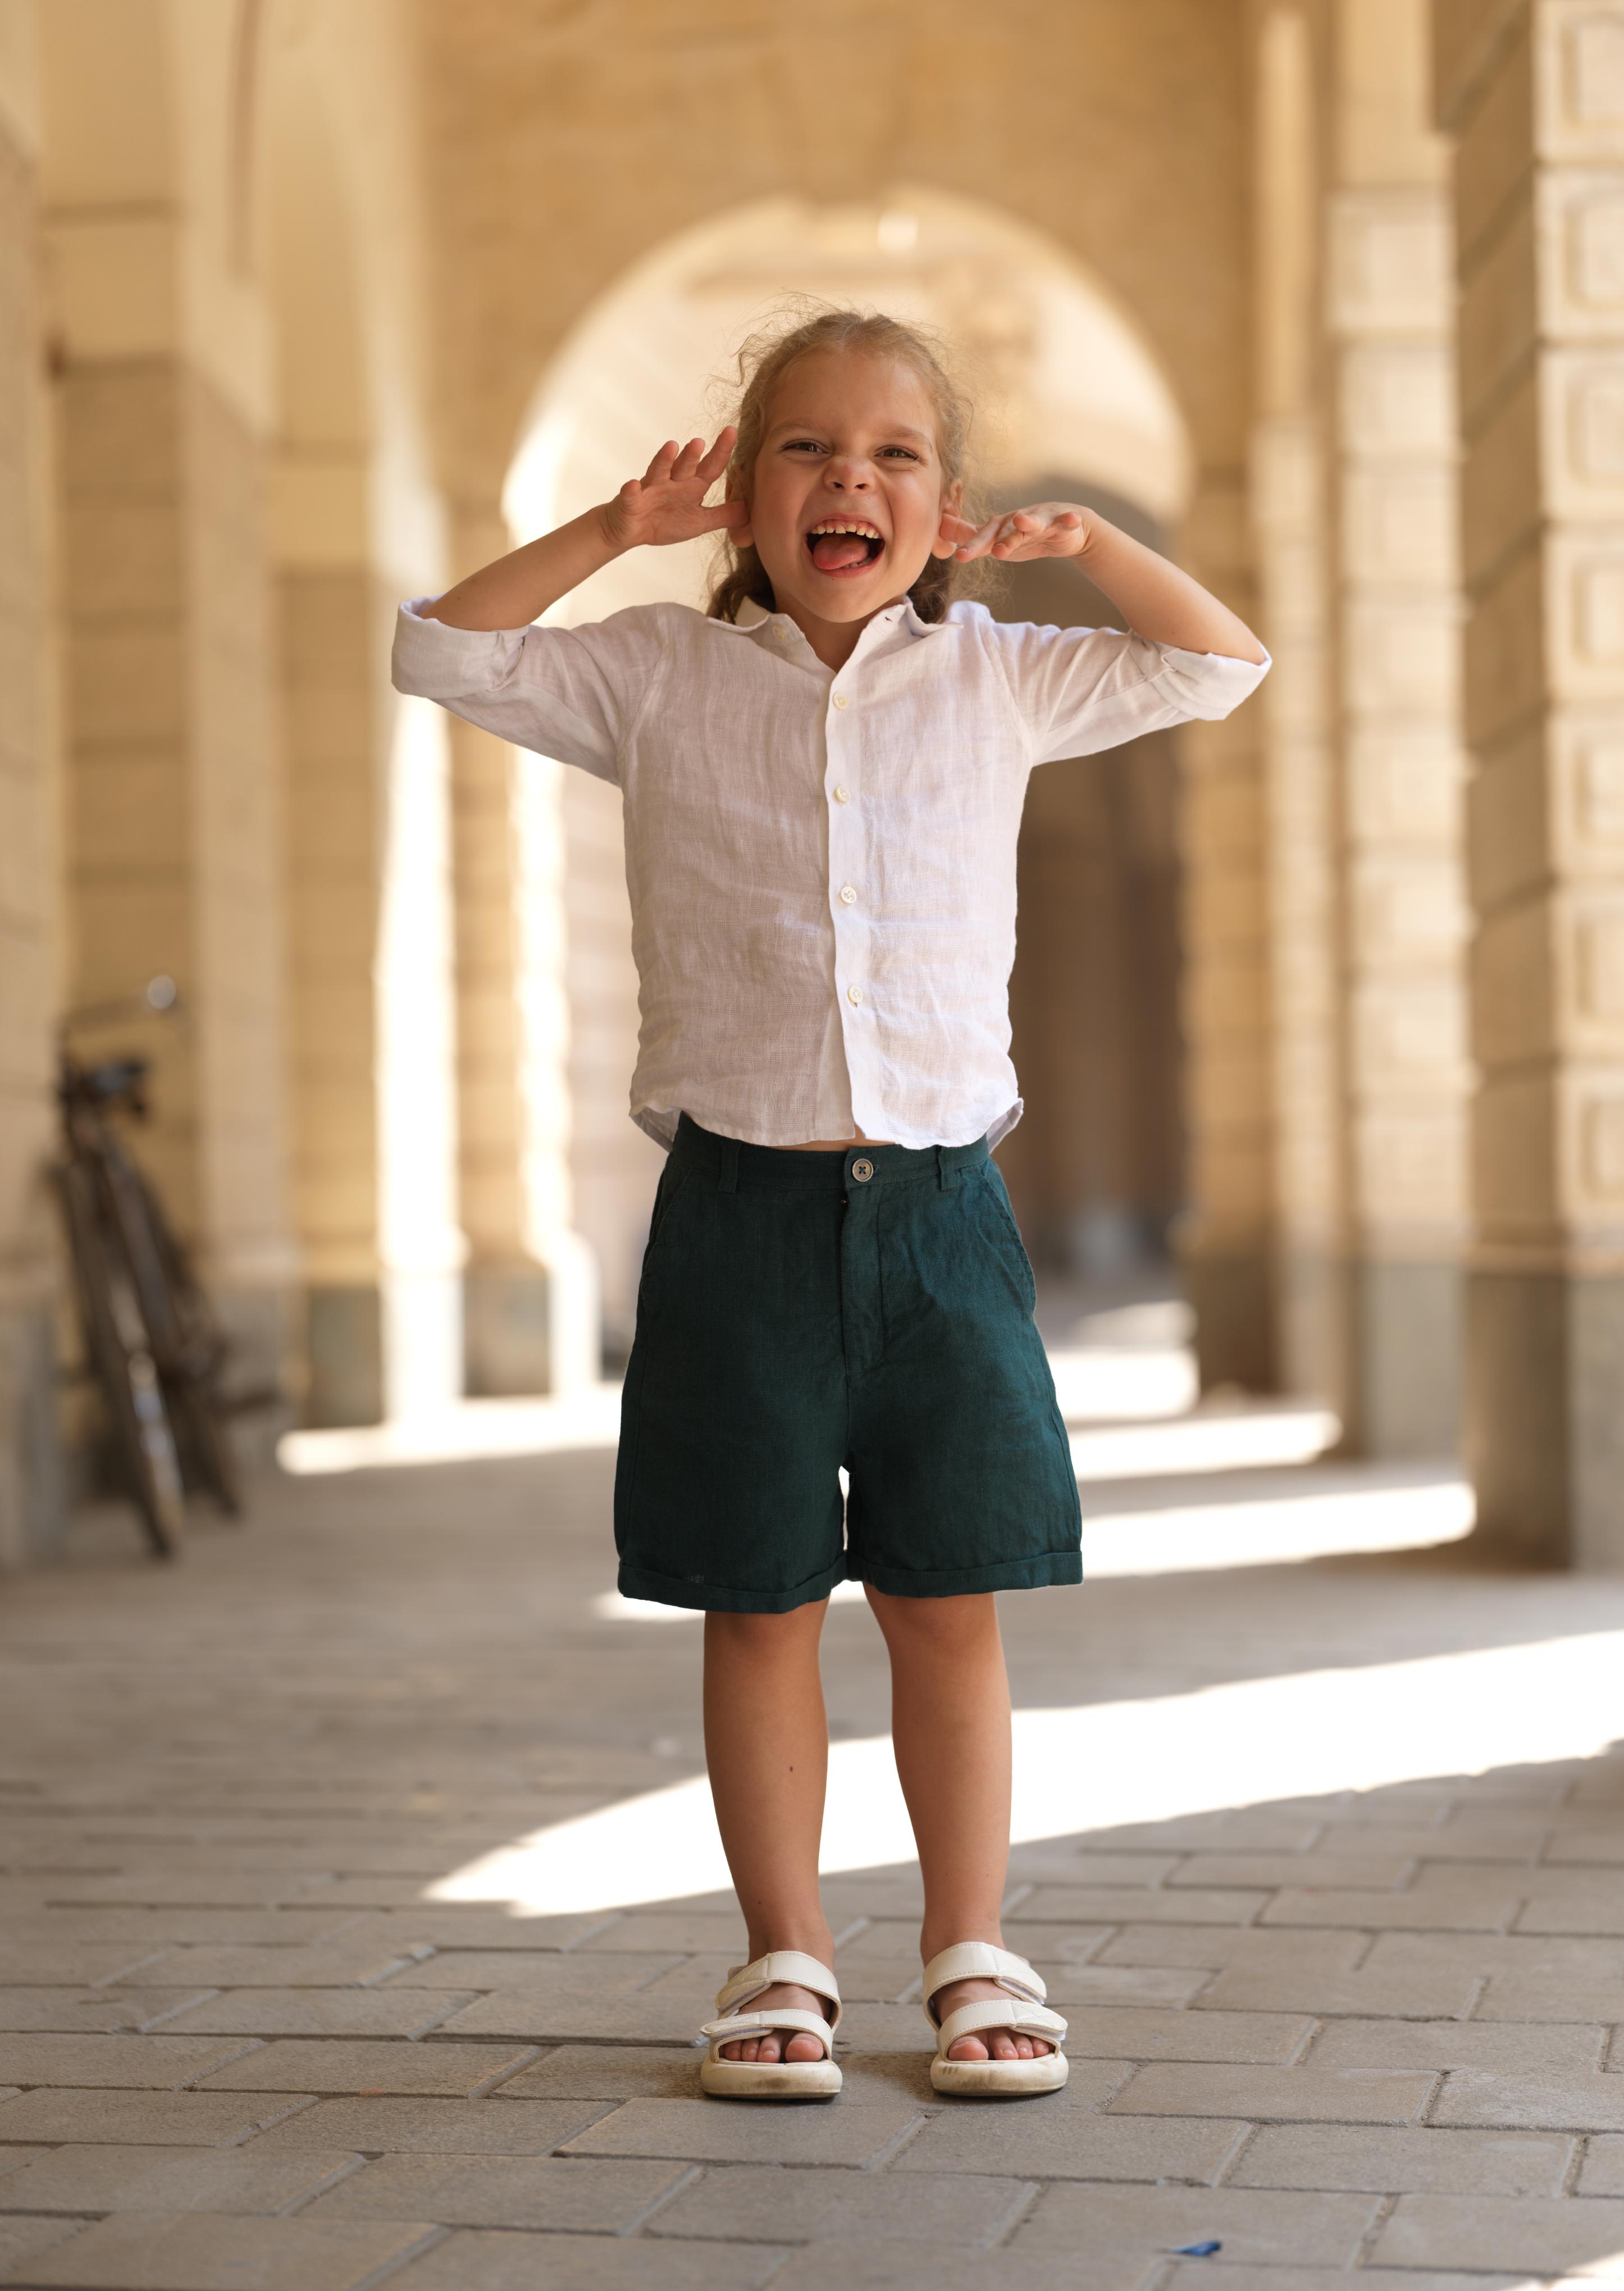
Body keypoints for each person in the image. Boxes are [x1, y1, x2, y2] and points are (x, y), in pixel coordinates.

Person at [393, 308, 1267, 2099]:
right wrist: (609, 533)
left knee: (949, 1600)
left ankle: (969, 1948)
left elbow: (1219, 665)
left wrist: (1092, 547)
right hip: (739, 1215)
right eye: (802, 447)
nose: (845, 480)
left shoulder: (1001, 675)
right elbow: (439, 650)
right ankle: (780, 1954)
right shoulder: (654, 671)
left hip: (943, 1220)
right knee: (760, 1598)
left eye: (893, 454)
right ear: (744, 492)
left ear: (942, 506)